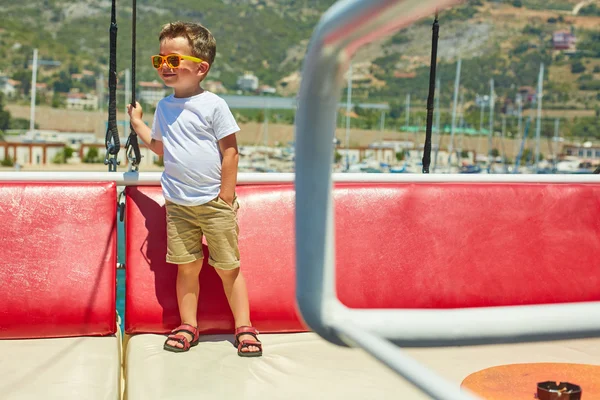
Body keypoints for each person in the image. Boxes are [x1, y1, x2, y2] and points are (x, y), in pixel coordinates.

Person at [127, 21, 261, 357]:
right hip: (178, 205)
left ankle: (244, 327)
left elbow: (230, 151)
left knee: (228, 268)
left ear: (201, 68)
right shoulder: (164, 107)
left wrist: (226, 197)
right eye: (160, 62)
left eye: (173, 61)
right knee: (187, 267)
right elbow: (160, 148)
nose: (165, 68)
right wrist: (138, 124)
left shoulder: (213, 105)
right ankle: (188, 325)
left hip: (215, 203)